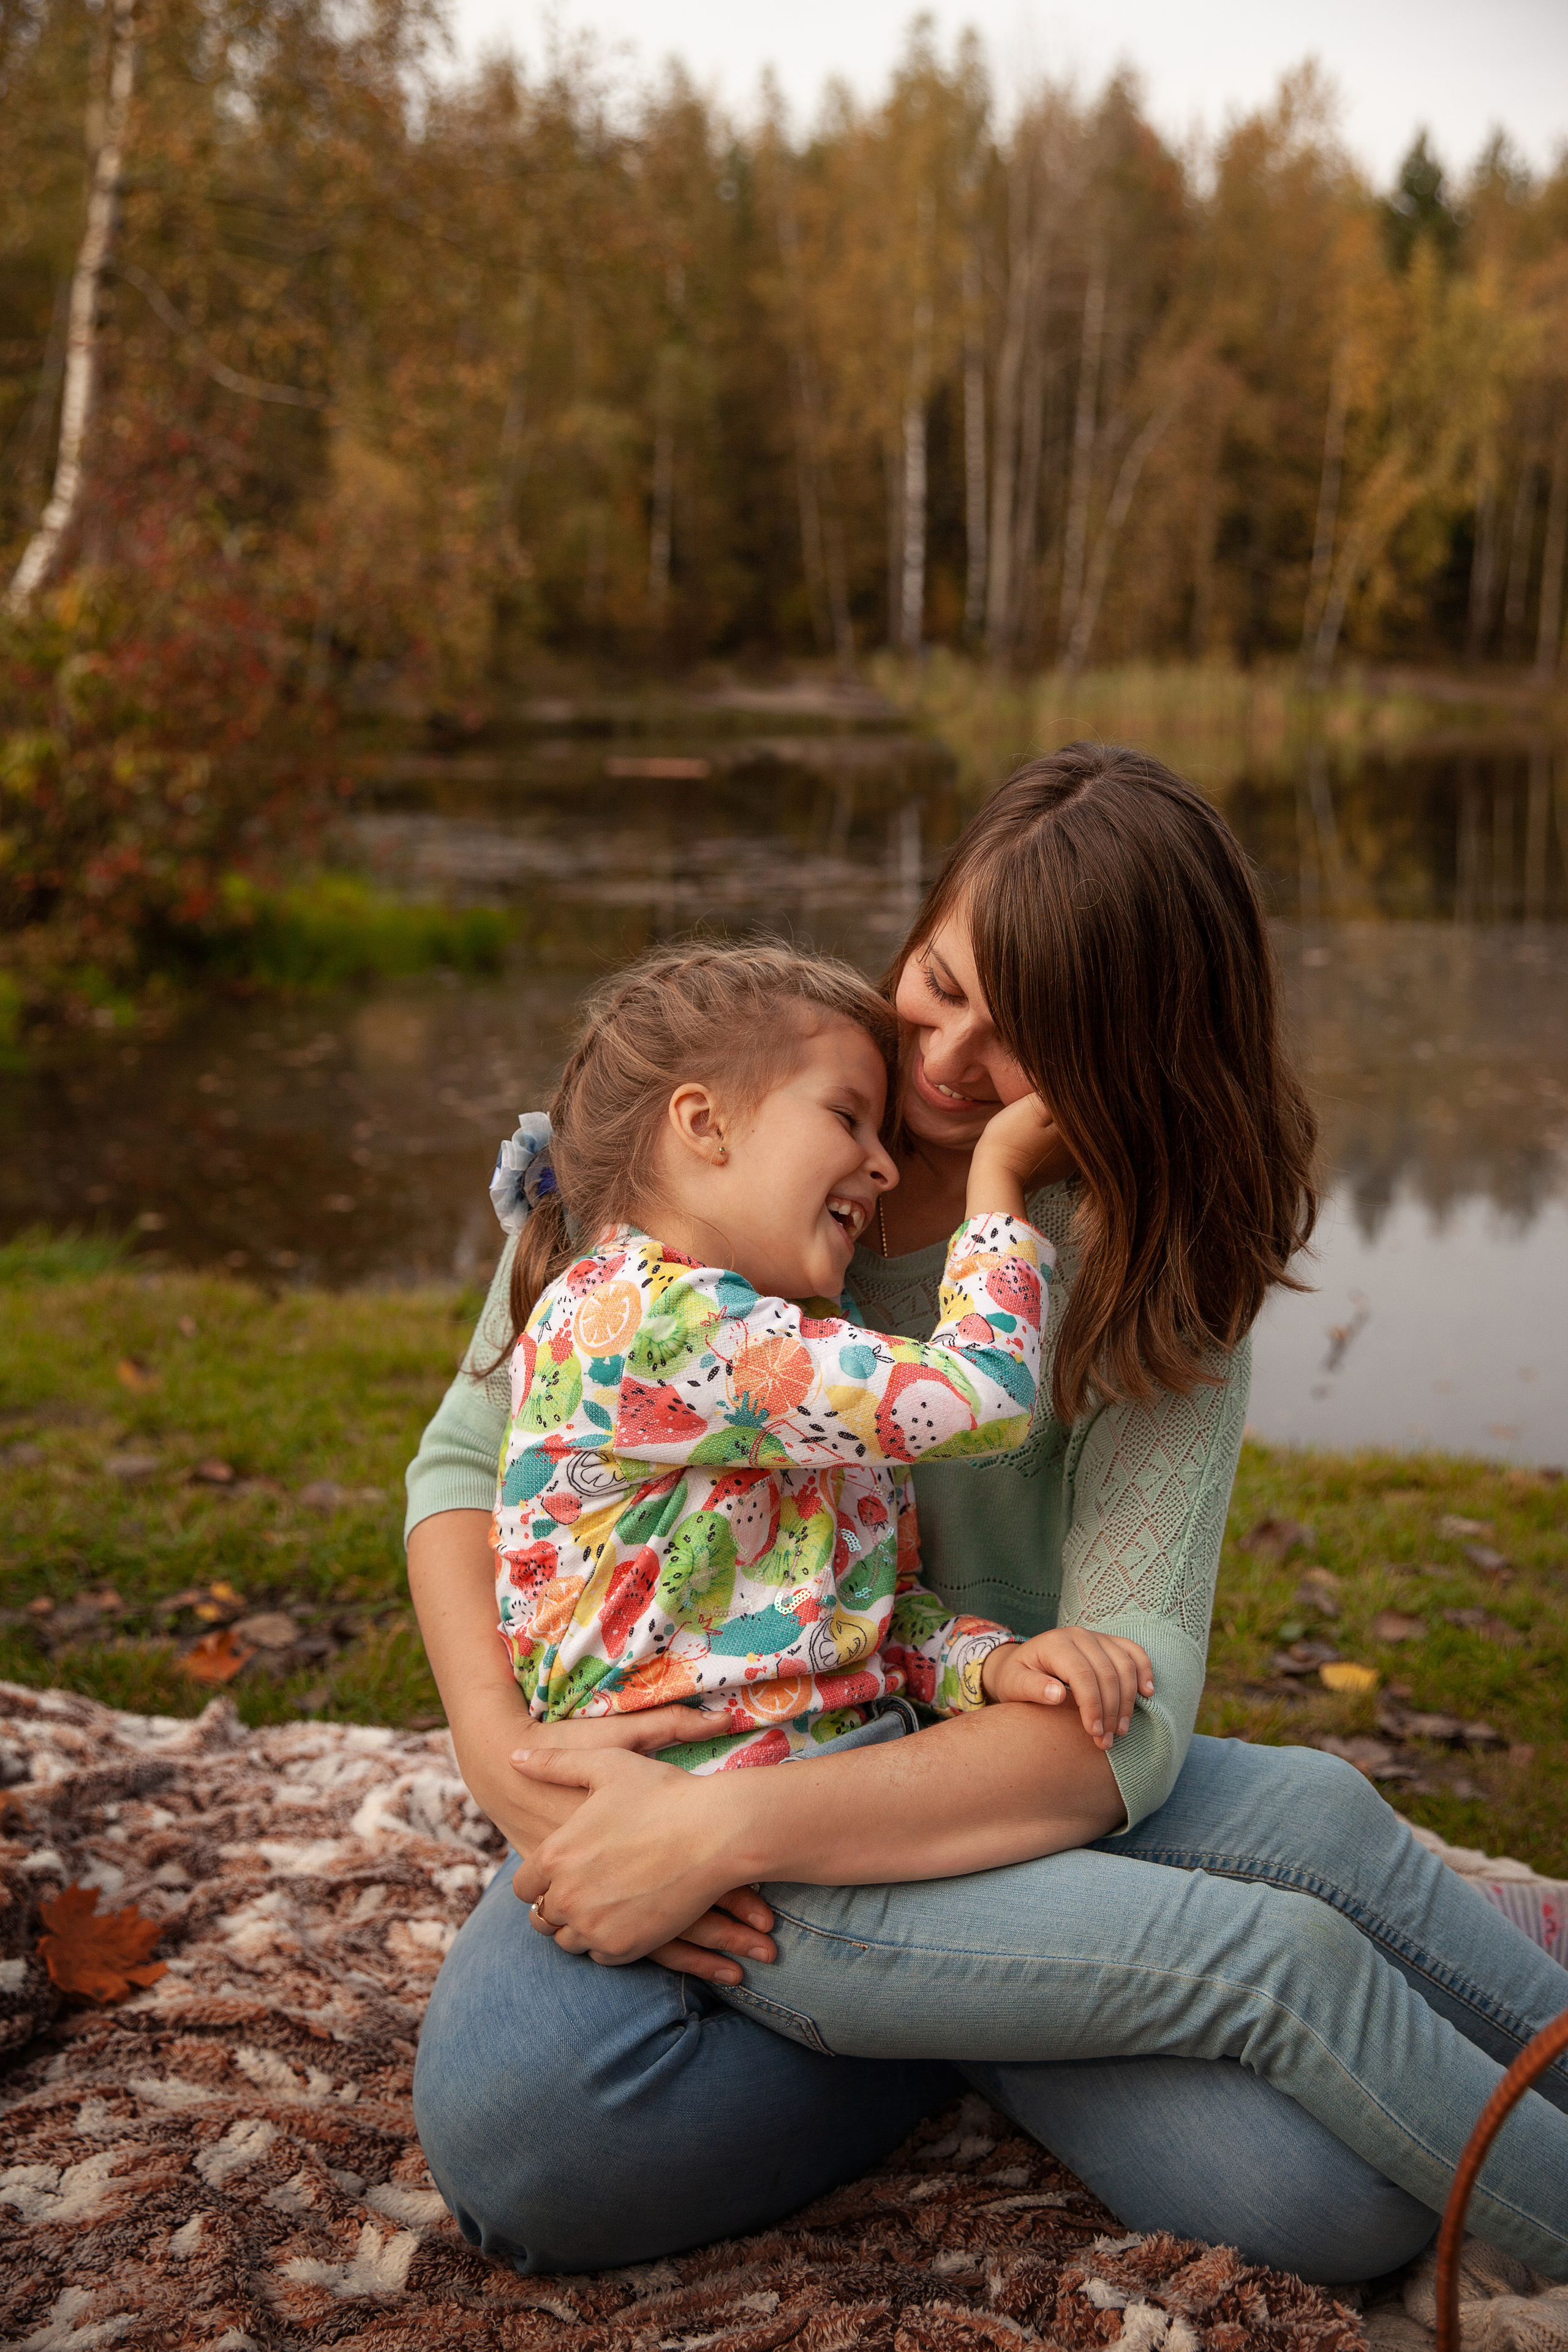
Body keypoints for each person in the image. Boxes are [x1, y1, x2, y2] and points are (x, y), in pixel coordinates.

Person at [405, 745, 1568, 2286]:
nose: (947, 1062)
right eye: (940, 981)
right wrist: (513, 1763)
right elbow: (462, 1474)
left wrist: (723, 1829)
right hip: (718, 1747)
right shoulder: (706, 1164)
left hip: (968, 1771)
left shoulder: (1142, 1268)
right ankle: (1001, 1998)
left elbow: (1126, 1706)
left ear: (1127, 1057)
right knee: (527, 2137)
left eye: (1028, 1040)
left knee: (1320, 2196)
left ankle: (1019, 1980)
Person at [489, 940, 1154, 1772]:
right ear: (705, 1123)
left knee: (1324, 1809)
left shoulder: (777, 1334)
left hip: (842, 1774)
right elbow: (981, 1397)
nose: (882, 1166)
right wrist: (1000, 1173)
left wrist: (993, 1664)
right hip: (721, 1816)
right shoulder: (651, 1323)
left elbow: (850, 1627)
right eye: (847, 1118)